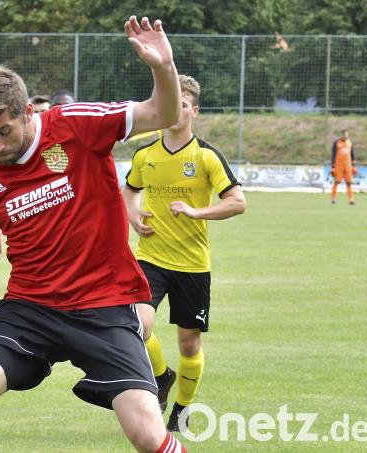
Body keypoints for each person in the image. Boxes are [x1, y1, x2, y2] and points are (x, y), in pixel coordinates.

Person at [0, 16, 188, 453]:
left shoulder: (77, 124)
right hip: (30, 308)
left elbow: (164, 113)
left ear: (28, 112)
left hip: (105, 306)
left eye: (4, 131)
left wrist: (163, 66)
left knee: (147, 435)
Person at [122, 75, 247, 432]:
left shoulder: (206, 156)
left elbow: (237, 202)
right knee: (136, 324)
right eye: (170, 103)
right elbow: (129, 190)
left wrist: (197, 211)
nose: (176, 110)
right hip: (150, 257)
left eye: (183, 104)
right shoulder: (146, 155)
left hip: (192, 264)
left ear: (195, 111)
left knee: (189, 345)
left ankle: (182, 409)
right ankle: (161, 376)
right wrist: (133, 215)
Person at [330, 129, 357, 205]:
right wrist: (333, 166)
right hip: (339, 165)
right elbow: (333, 154)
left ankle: (351, 200)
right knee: (337, 182)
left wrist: (354, 165)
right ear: (341, 135)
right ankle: (333, 199)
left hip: (348, 165)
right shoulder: (337, 143)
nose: (346, 136)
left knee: (349, 183)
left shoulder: (349, 142)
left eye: (347, 135)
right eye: (344, 135)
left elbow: (352, 154)